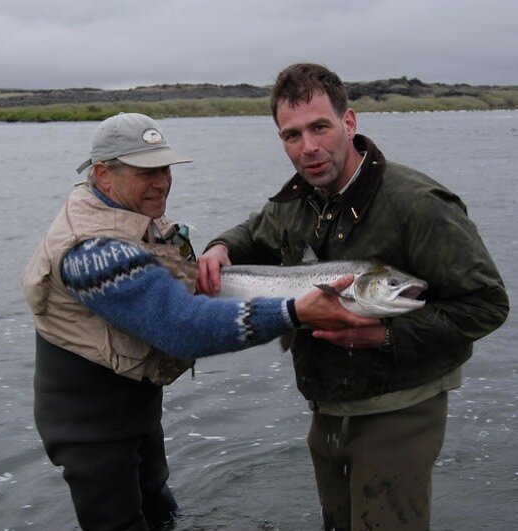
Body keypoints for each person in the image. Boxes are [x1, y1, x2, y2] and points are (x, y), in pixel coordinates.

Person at [21, 112, 372, 531]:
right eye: (146, 171)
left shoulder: (125, 211)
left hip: (134, 407)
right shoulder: (93, 251)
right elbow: (183, 328)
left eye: (165, 167)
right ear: (103, 174)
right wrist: (293, 311)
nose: (162, 181)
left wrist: (221, 249)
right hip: (90, 428)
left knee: (160, 509)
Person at [197, 64, 509, 530]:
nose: (309, 147)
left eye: (319, 127)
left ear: (349, 122)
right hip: (327, 411)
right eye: (291, 135)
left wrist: (385, 336)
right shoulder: (297, 201)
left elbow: (487, 304)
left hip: (400, 411)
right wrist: (220, 247)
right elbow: (253, 231)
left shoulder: (420, 204)